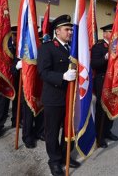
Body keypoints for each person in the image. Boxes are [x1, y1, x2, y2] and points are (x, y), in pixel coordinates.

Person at [37, 14, 80, 176]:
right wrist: (62, 76)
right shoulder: (47, 47)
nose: (70, 32)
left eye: (71, 29)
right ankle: (54, 161)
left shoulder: (73, 48)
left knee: (69, 129)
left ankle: (64, 156)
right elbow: (43, 72)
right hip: (54, 97)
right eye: (67, 29)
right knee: (52, 131)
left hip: (71, 97)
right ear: (57, 31)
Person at [91, 24, 118, 148]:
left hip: (114, 80)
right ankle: (99, 136)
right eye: (110, 32)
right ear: (105, 34)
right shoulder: (98, 46)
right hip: (102, 80)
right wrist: (105, 57)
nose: (113, 34)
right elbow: (94, 64)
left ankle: (107, 131)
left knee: (112, 107)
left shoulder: (117, 46)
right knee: (102, 109)